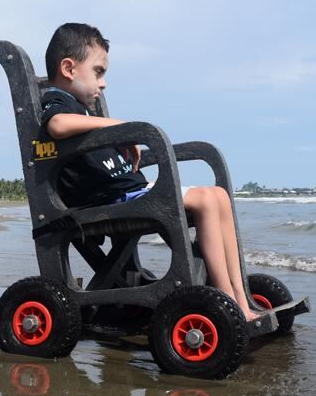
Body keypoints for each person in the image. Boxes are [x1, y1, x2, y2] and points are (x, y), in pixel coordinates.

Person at [40, 23, 262, 320]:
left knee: (218, 195)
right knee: (208, 200)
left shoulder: (83, 110)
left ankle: (239, 295)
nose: (103, 83)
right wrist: (119, 127)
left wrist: (120, 135)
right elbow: (57, 125)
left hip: (130, 192)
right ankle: (226, 301)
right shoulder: (57, 101)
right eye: (98, 72)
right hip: (110, 201)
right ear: (68, 68)